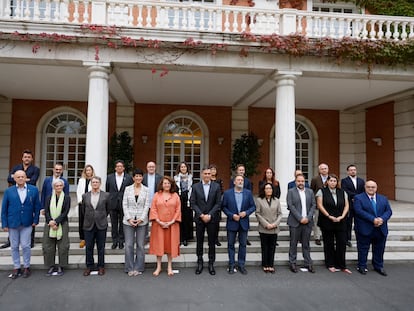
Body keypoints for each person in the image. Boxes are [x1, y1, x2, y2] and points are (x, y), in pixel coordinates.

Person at [1, 170, 41, 279]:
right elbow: (4, 209)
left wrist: (36, 220)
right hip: (13, 223)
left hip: (27, 222)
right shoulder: (9, 191)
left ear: (26, 178)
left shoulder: (33, 190)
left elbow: (37, 207)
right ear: (14, 179)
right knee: (14, 246)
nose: (20, 179)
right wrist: (4, 223)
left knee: (25, 245)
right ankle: (17, 267)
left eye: (22, 177)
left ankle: (27, 266)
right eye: (18, 177)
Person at [2, 150, 40, 249]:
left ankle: (30, 241)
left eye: (29, 157)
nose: (27, 158)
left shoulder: (35, 169)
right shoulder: (16, 167)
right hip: (16, 194)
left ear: (31, 159)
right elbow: (9, 179)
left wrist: (18, 179)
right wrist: (25, 179)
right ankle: (10, 241)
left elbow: (33, 181)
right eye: (25, 157)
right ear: (22, 158)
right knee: (13, 216)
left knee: (29, 216)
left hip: (29, 195)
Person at [354, 180, 392, 276]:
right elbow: (358, 211)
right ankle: (362, 266)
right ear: (365, 187)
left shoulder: (383, 198)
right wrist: (373, 219)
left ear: (376, 188)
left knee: (379, 248)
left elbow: (388, 211)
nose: (371, 189)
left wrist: (382, 219)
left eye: (373, 187)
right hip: (365, 228)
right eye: (368, 187)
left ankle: (378, 266)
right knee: (363, 248)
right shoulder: (358, 198)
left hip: (380, 228)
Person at [316, 174, 351, 274]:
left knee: (342, 243)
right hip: (327, 221)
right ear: (327, 182)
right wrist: (329, 216)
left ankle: (341, 265)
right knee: (329, 244)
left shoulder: (342, 192)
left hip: (341, 221)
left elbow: (347, 205)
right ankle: (330, 264)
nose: (333, 183)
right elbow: (320, 205)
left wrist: (342, 216)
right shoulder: (321, 191)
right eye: (331, 181)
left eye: (335, 181)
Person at [190, 167, 222, 275]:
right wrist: (201, 215)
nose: (207, 175)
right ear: (202, 174)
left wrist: (209, 215)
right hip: (200, 219)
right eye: (205, 173)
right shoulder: (195, 186)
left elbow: (218, 203)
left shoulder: (216, 186)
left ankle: (211, 263)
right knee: (199, 241)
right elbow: (193, 203)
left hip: (212, 219)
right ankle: (199, 262)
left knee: (212, 242)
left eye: (209, 173)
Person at [222, 175, 256, 275]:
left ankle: (241, 265)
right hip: (232, 222)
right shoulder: (227, 193)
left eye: (242, 180)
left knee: (243, 245)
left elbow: (253, 206)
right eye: (238, 180)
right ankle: (231, 265)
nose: (240, 181)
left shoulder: (248, 193)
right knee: (231, 245)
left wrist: (246, 213)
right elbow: (223, 207)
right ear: (234, 182)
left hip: (243, 222)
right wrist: (231, 215)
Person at [149, 176, 181, 277]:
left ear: (171, 185)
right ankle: (158, 266)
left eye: (168, 183)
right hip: (158, 225)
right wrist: (158, 221)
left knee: (170, 245)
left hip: (172, 225)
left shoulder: (175, 195)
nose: (166, 185)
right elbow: (153, 209)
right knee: (159, 245)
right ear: (161, 185)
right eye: (164, 183)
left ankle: (169, 266)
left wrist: (171, 221)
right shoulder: (156, 195)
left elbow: (178, 210)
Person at [79, 176, 110, 276]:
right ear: (91, 184)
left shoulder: (106, 195)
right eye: (93, 182)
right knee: (89, 247)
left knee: (101, 247)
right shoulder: (85, 196)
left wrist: (100, 216)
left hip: (101, 224)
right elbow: (83, 210)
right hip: (88, 224)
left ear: (100, 184)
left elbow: (108, 209)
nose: (95, 184)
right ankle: (89, 266)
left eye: (97, 182)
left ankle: (101, 266)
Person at [122, 168, 150, 276]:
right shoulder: (127, 189)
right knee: (129, 245)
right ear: (133, 178)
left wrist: (141, 218)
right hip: (128, 221)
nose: (138, 178)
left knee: (140, 245)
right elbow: (125, 204)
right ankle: (129, 267)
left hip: (142, 221)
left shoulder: (146, 190)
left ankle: (139, 267)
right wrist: (129, 218)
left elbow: (146, 205)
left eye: (140, 176)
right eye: (136, 176)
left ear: (142, 178)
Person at [287, 173, 316, 273]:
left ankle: (308, 262)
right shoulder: (291, 192)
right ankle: (292, 262)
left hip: (307, 222)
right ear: (295, 182)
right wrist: (300, 218)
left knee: (306, 244)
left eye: (302, 181)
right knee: (293, 243)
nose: (301, 183)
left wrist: (308, 218)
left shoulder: (310, 192)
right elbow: (291, 206)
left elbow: (313, 205)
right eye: (299, 181)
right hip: (295, 222)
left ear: (305, 182)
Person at [42, 179, 71, 276]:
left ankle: (61, 266)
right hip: (49, 224)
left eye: (60, 186)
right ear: (54, 187)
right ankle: (51, 266)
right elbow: (46, 211)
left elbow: (65, 212)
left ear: (63, 187)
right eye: (57, 186)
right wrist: (50, 221)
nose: (58, 187)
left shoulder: (67, 198)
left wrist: (57, 222)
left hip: (62, 223)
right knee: (48, 246)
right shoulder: (48, 197)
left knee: (63, 246)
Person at [255, 182, 282, 273]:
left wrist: (275, 224)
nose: (268, 190)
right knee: (265, 247)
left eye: (270, 188)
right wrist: (266, 224)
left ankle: (271, 264)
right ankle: (265, 264)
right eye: (267, 188)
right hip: (264, 228)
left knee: (272, 247)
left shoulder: (277, 200)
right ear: (264, 190)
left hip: (274, 228)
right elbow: (258, 213)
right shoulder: (259, 200)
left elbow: (280, 214)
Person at [106, 160, 133, 250]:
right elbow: (107, 190)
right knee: (114, 223)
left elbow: (130, 191)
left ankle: (121, 241)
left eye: (121, 166)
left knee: (122, 223)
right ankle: (114, 241)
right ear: (115, 168)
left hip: (124, 203)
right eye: (117, 166)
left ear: (124, 168)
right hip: (112, 203)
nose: (119, 168)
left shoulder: (128, 178)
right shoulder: (110, 177)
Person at [228, 164, 253, 246]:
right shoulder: (233, 180)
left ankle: (245, 239)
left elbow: (250, 192)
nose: (241, 171)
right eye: (240, 170)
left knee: (244, 225)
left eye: (243, 170)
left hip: (244, 206)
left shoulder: (248, 181)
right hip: (235, 206)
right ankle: (234, 238)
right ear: (237, 171)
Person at [341, 164, 365, 247]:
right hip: (349, 205)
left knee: (359, 222)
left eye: (354, 170)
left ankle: (361, 237)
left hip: (359, 205)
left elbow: (363, 191)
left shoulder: (361, 181)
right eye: (351, 170)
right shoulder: (344, 181)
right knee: (348, 223)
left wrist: (358, 198)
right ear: (348, 172)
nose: (353, 171)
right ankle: (348, 239)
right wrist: (355, 196)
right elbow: (345, 190)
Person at [174, 161, 193, 246]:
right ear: (179, 168)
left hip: (188, 200)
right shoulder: (176, 178)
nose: (183, 168)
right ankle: (179, 238)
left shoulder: (191, 178)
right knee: (179, 220)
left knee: (187, 220)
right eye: (181, 167)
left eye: (184, 167)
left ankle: (186, 238)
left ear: (187, 168)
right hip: (179, 199)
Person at [142, 161, 163, 243]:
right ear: (147, 168)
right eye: (149, 167)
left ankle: (156, 239)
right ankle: (145, 239)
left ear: (155, 168)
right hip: (145, 203)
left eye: (152, 167)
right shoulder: (143, 177)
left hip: (156, 204)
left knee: (156, 222)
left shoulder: (160, 177)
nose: (151, 168)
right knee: (144, 222)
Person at [310, 163, 330, 245]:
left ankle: (328, 236)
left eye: (325, 168)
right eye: (322, 169)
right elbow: (312, 190)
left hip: (329, 204)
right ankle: (317, 237)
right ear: (319, 170)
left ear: (328, 169)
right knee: (317, 221)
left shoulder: (332, 178)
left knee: (329, 221)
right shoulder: (315, 179)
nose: (324, 170)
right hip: (318, 204)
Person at [76, 164, 95, 248]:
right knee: (82, 221)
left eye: (89, 170)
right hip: (82, 203)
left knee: (91, 221)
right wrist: (80, 200)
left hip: (91, 204)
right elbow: (78, 191)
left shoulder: (95, 180)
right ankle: (83, 239)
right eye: (87, 170)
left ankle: (91, 238)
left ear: (92, 171)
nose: (88, 172)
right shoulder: (81, 180)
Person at [209, 164, 224, 247]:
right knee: (210, 224)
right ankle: (210, 239)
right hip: (209, 205)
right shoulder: (208, 180)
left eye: (214, 169)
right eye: (211, 169)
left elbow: (222, 191)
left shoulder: (219, 181)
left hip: (217, 205)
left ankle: (216, 239)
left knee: (216, 224)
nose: (213, 171)